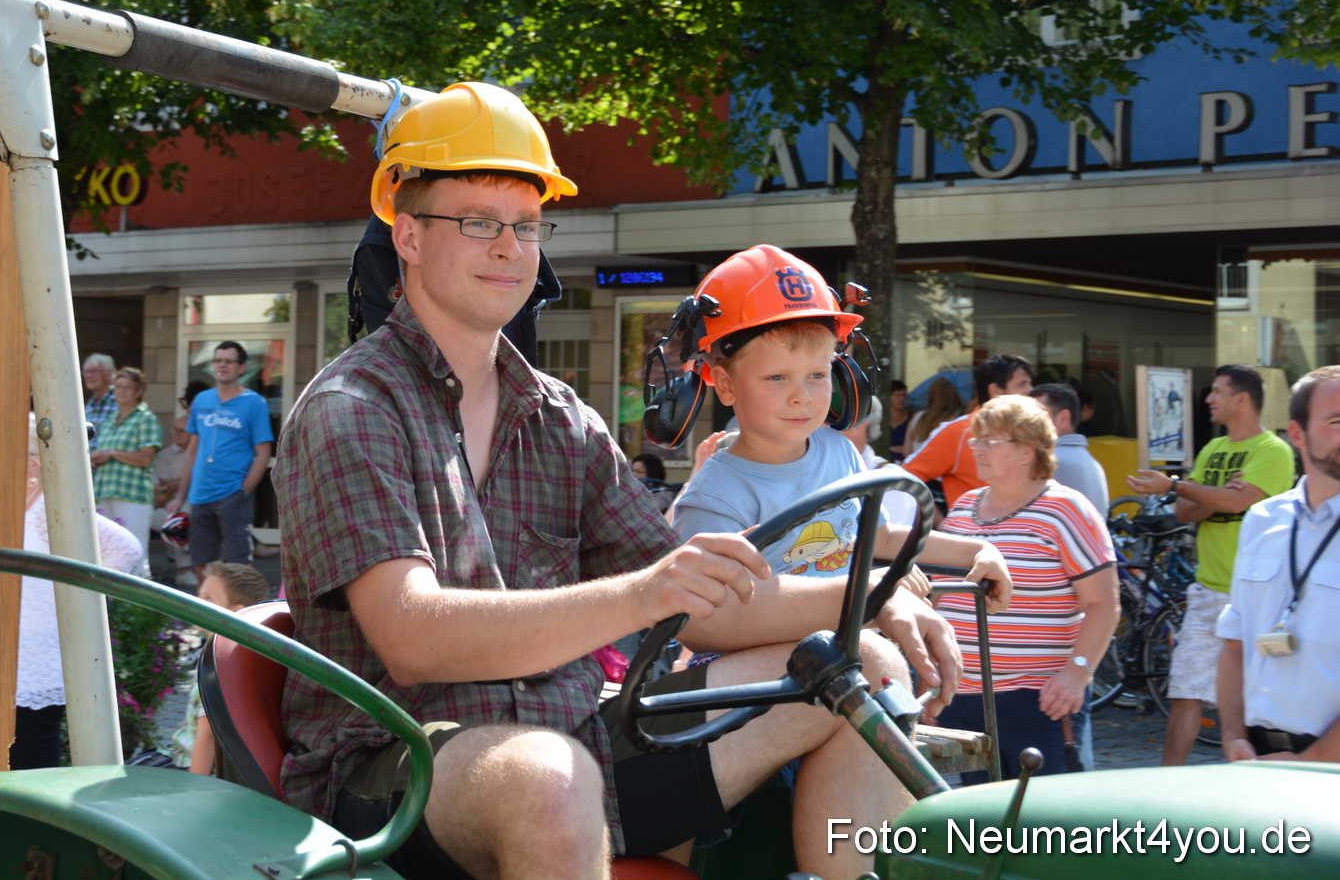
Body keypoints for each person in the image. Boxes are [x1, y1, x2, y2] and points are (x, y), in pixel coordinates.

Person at [275, 83, 963, 880]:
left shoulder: (564, 420)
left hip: (584, 737)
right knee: (545, 778)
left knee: (862, 663)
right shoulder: (352, 407)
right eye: (477, 221)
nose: (508, 246)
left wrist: (871, 595)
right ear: (409, 236)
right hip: (398, 762)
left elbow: (698, 600)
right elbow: (415, 637)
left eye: (526, 226)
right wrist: (645, 594)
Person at [670, 245, 1009, 603]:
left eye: (817, 374)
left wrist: (975, 552)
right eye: (776, 378)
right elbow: (720, 611)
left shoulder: (839, 451)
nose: (801, 396)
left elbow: (877, 537)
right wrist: (857, 593)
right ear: (725, 384)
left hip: (840, 648)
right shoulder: (713, 498)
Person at [933, 395, 1120, 781]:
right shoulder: (964, 506)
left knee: (1042, 824)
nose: (977, 450)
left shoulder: (1066, 509)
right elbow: (940, 598)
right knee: (982, 821)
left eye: (990, 441)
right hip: (965, 699)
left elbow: (1104, 604)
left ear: (1027, 450)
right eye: (976, 440)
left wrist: (1077, 674)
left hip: (1037, 700)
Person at [1126, 364, 1297, 765]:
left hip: (1261, 598)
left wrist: (1177, 485)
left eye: (1217, 391)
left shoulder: (1274, 450)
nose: (1208, 399)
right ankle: (1166, 789)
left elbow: (1234, 502)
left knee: (1256, 701)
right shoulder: (1212, 450)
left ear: (1242, 399)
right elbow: (1187, 511)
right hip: (1207, 591)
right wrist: (1216, 493)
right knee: (1185, 692)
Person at [1217, 365, 1340, 763]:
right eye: (1337, 421)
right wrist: (1234, 736)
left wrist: (1308, 763)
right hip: (1259, 762)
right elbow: (1235, 643)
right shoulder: (1262, 519)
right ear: (1298, 433)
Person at [14, 414, 144, 769]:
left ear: (35, 463)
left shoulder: (48, 509)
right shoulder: (10, 506)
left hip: (37, 655)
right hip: (4, 651)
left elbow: (126, 548)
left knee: (32, 757)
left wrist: (80, 604)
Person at [166, 341, 274, 580]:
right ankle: (207, 617)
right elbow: (192, 450)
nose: (222, 365)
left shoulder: (254, 403)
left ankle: (241, 614)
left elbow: (263, 452)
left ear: (241, 368)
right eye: (217, 360)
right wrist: (181, 496)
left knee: (239, 565)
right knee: (201, 564)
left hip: (232, 495)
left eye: (228, 361)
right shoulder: (202, 401)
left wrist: (243, 491)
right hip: (200, 496)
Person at [171, 561, 275, 773]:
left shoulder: (220, 665)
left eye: (208, 598)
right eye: (200, 595)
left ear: (236, 613)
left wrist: (192, 792)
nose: (197, 603)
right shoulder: (235, 654)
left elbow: (207, 737)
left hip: (189, 767)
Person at [903, 355, 1034, 507]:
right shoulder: (958, 432)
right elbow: (905, 477)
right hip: (967, 529)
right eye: (1022, 384)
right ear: (996, 391)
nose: (1030, 390)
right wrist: (936, 520)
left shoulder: (1034, 428)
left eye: (1030, 383)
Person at [91, 366, 165, 578]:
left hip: (132, 494)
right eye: (118, 387)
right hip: (105, 491)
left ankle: (139, 609)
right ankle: (113, 607)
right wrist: (96, 458)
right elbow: (104, 453)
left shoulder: (145, 418)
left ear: (138, 391)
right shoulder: (111, 419)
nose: (121, 391)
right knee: (108, 553)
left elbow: (146, 458)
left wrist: (112, 453)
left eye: (127, 387)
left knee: (134, 553)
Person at [1030, 382, 1110, 519]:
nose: (1027, 424)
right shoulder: (1089, 461)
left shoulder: (1053, 460)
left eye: (1036, 416)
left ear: (1063, 418)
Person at [904, 376, 964, 457]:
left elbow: (906, 451)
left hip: (917, 466)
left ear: (930, 395)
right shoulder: (955, 421)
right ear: (953, 395)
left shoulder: (916, 418)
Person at [82, 353, 118, 438]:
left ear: (108, 374)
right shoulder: (90, 404)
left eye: (94, 371)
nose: (90, 376)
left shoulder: (120, 401)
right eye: (87, 371)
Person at [887, 379, 911, 462]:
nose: (902, 399)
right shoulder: (882, 419)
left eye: (904, 395)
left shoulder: (911, 419)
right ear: (889, 397)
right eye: (897, 395)